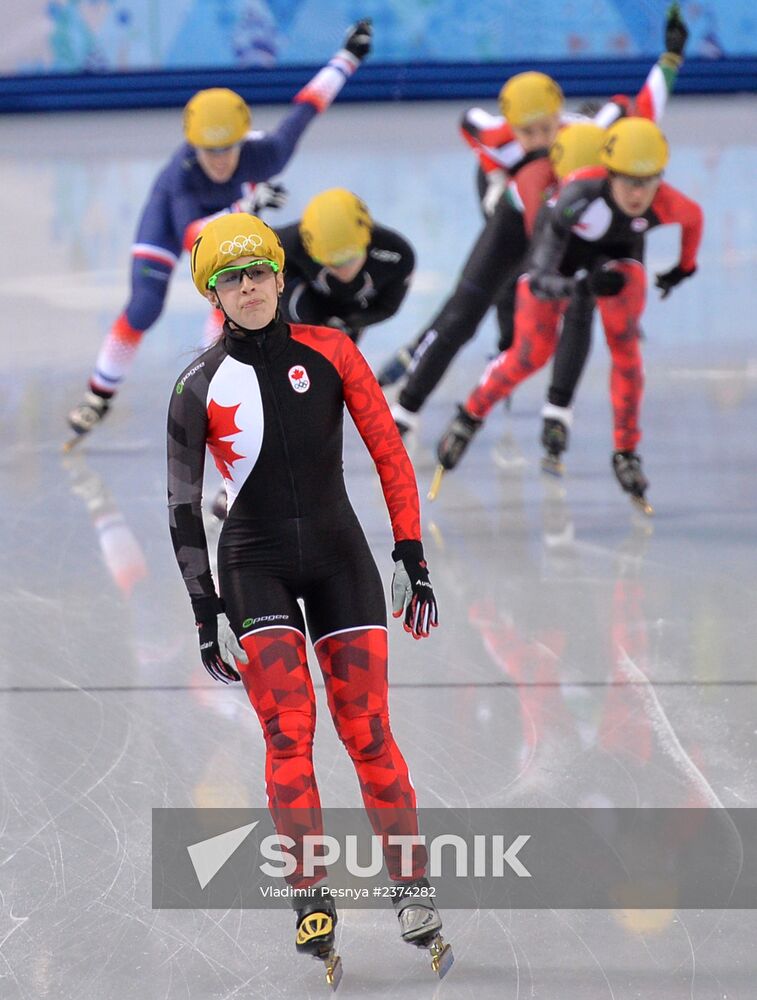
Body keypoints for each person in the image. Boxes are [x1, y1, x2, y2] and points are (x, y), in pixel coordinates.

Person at [166, 213, 451, 981]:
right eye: (233, 278)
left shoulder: (332, 352)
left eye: (259, 271)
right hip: (253, 566)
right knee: (288, 734)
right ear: (214, 293)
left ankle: (411, 886)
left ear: (282, 276)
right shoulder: (196, 385)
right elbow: (181, 508)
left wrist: (410, 553)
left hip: (339, 562)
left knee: (367, 730)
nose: (250, 287)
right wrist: (205, 610)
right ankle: (308, 896)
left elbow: (387, 451)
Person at [380, 4, 688, 427]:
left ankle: (554, 404)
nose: (541, 141)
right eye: (529, 132)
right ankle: (407, 408)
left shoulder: (591, 136)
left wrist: (670, 60)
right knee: (468, 308)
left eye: (548, 128)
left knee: (573, 303)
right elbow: (470, 126)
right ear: (510, 126)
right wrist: (491, 179)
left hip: (562, 228)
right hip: (516, 216)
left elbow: (645, 109)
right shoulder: (497, 139)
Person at [66, 19, 373, 443]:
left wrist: (348, 57)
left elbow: (307, 107)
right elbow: (196, 236)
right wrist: (246, 204)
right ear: (194, 146)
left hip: (224, 221)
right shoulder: (181, 177)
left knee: (228, 294)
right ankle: (98, 395)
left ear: (242, 140)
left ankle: (216, 388)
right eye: (209, 151)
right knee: (145, 306)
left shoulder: (264, 155)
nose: (219, 160)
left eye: (227, 148)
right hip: (173, 222)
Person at [434, 117, 703, 511]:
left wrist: (684, 268)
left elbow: (694, 219)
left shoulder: (668, 202)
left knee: (626, 349)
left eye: (649, 182)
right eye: (629, 180)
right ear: (610, 173)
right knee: (531, 354)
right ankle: (470, 414)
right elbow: (539, 277)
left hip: (615, 263)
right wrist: (578, 288)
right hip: (558, 268)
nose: (638, 193)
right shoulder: (574, 198)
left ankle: (626, 450)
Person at [277, 188, 415, 344]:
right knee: (299, 310)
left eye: (349, 259)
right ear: (312, 253)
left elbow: (386, 308)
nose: (343, 270)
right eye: (331, 263)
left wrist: (349, 322)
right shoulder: (288, 243)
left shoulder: (397, 254)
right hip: (304, 294)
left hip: (351, 309)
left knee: (339, 338)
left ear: (367, 242)